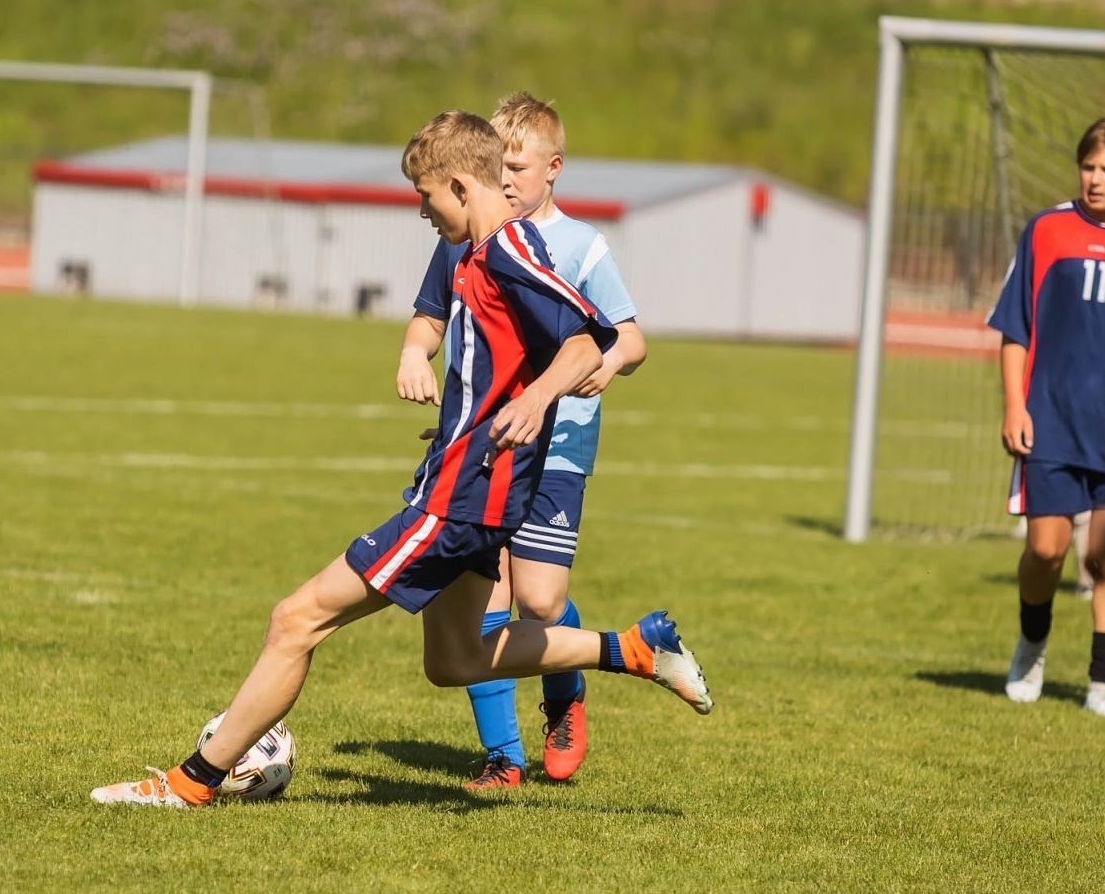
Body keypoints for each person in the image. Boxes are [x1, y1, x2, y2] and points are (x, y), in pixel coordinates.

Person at [91, 110, 711, 808]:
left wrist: (537, 401)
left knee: (296, 619)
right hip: (470, 487)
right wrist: (461, 424)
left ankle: (188, 783)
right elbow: (497, 364)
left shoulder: (510, 251)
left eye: (425, 197)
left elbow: (587, 339)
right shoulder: (477, 257)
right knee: (456, 660)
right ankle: (633, 649)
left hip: (460, 502)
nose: (422, 211)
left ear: (458, 184)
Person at [399, 92, 647, 789]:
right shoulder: (460, 242)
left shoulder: (579, 246)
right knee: (487, 595)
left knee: (539, 601)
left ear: (552, 167)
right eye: (498, 164)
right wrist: (416, 354)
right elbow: (428, 318)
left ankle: (565, 694)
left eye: (518, 164)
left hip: (558, 443)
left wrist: (599, 365)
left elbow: (628, 335)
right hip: (480, 453)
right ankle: (502, 756)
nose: (506, 178)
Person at [994, 115, 1105, 720]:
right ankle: (1033, 643)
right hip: (1047, 420)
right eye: (1088, 166)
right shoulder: (1047, 228)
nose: (1094, 179)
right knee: (1046, 551)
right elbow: (1015, 328)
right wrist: (1014, 404)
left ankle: (1102, 685)